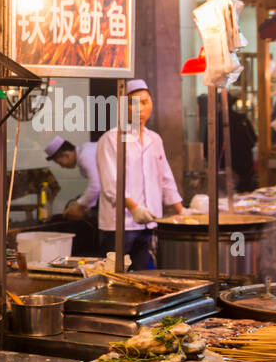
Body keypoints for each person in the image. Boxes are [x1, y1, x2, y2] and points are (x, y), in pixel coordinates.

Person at [96, 79, 183, 270]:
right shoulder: (111, 139)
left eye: (145, 102)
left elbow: (166, 178)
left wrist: (181, 211)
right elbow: (111, 183)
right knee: (116, 278)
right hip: (119, 226)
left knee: (145, 279)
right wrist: (134, 208)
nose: (140, 108)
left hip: (149, 224)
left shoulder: (155, 139)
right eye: (133, 103)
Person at [45, 136, 100, 221]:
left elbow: (96, 185)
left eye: (60, 163)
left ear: (66, 155)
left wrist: (79, 205)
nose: (62, 167)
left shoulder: (85, 155)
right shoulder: (85, 150)